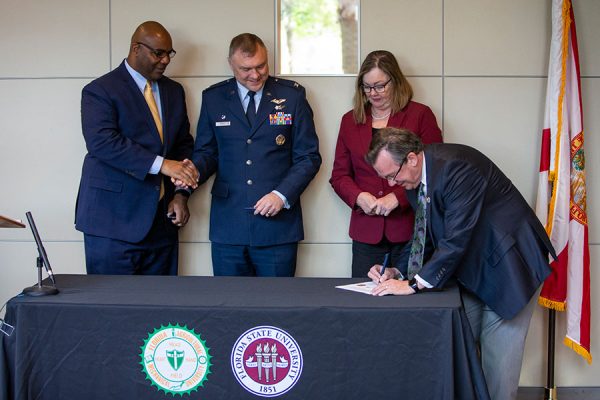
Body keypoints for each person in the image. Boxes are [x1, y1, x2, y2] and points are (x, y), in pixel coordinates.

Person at [365, 128, 555, 400]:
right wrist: (397, 270)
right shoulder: (415, 182)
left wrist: (413, 285)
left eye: (392, 175)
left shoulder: (457, 168)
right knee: (458, 347)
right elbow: (424, 235)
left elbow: (455, 239)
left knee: (497, 369)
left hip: (509, 267)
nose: (392, 184)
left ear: (412, 159)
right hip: (475, 269)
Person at [189, 33, 321, 276]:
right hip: (229, 224)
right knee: (229, 307)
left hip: (277, 226)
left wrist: (281, 195)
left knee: (276, 306)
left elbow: (308, 156)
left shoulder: (292, 96)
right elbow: (207, 152)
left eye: (261, 66)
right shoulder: (214, 97)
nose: (255, 74)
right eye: (246, 69)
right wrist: (191, 172)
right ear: (231, 63)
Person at [75, 21, 199, 275]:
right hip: (112, 225)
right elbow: (102, 142)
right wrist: (163, 164)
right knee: (112, 310)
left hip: (162, 225)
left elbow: (183, 145)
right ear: (136, 49)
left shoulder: (174, 91)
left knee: (161, 310)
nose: (165, 60)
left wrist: (180, 194)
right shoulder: (99, 90)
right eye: (158, 53)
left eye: (169, 54)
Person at [330, 50, 442, 277]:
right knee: (364, 303)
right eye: (367, 87)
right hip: (366, 231)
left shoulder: (420, 115)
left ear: (396, 80)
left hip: (411, 229)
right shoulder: (350, 121)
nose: (374, 93)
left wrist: (397, 198)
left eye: (380, 86)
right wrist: (359, 197)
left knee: (408, 301)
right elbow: (339, 175)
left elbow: (433, 169)